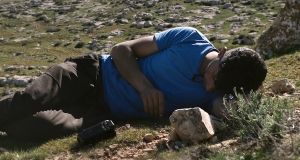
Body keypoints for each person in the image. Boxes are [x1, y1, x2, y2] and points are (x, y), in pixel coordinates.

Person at [0, 27, 267, 141]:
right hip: (90, 73)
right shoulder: (189, 38)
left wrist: (249, 91)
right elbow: (121, 50)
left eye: (220, 88)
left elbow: (234, 113)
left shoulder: (213, 97)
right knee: (29, 101)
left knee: (33, 128)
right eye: (214, 77)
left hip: (102, 112)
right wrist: (145, 87)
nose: (209, 88)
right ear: (221, 52)